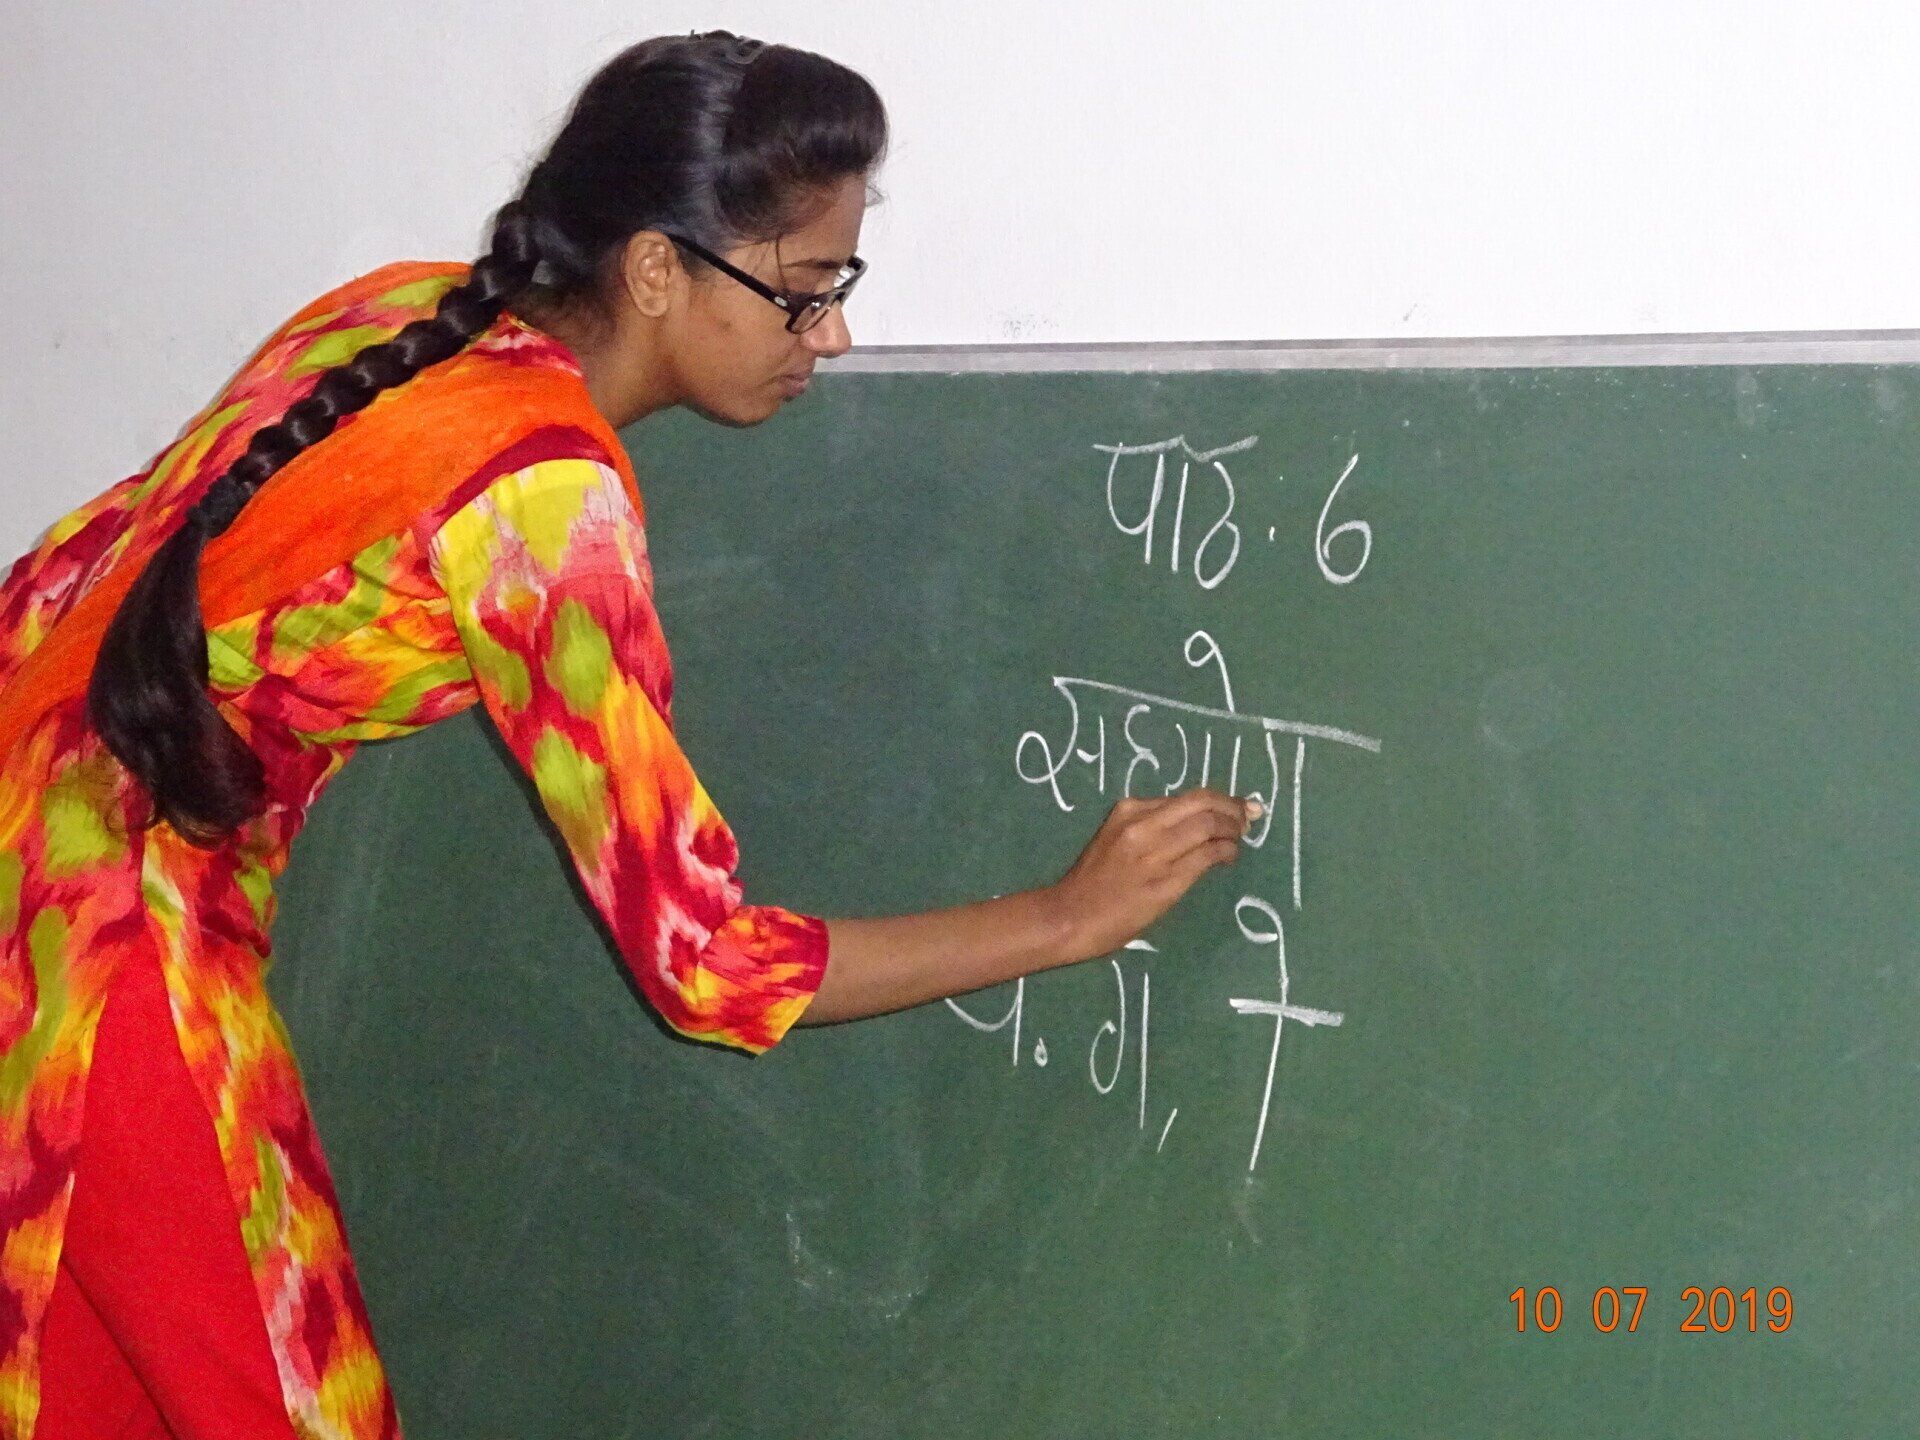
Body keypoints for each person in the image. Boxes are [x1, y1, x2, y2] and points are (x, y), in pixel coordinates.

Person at [0, 31, 1255, 1440]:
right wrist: (1062, 919)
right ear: (658, 271)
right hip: (104, 988)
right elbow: (704, 965)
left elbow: (70, 582)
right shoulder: (546, 502)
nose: (831, 335)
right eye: (802, 293)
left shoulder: (398, 313)